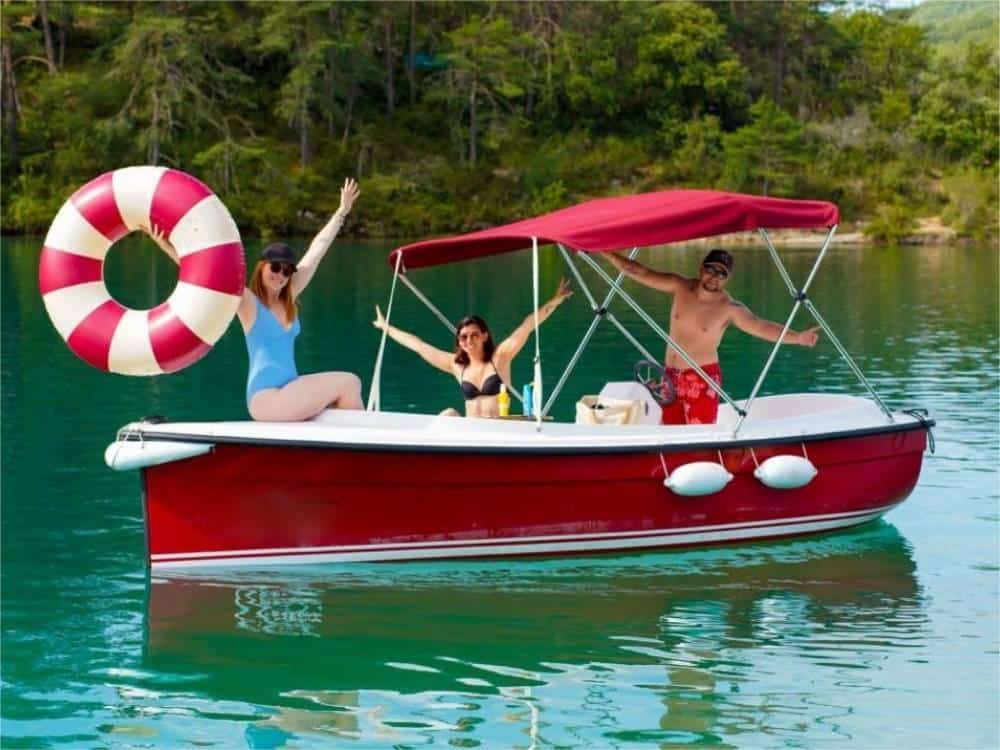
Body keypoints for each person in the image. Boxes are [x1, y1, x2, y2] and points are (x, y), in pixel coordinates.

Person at [144, 178, 363, 422]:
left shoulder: (289, 296)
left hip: (290, 393)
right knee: (350, 382)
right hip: (266, 398)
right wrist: (164, 244)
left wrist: (341, 212)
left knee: (344, 396)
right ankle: (365, 449)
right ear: (261, 268)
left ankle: (352, 453)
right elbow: (205, 275)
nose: (281, 275)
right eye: (276, 267)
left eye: (287, 271)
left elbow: (317, 250)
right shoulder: (248, 302)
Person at [605, 248, 819, 425]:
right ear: (701, 268)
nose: (714, 277)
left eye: (722, 273)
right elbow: (639, 272)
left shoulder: (729, 308)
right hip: (669, 375)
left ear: (727, 279)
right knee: (669, 433)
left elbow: (761, 327)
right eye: (711, 269)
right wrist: (606, 253)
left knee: (699, 437)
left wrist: (797, 337)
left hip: (702, 379)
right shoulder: (680, 287)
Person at [371, 279, 573, 418]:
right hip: (470, 431)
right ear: (459, 341)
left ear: (484, 336)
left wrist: (555, 301)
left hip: (498, 430)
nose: (469, 341)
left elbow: (528, 325)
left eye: (474, 335)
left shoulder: (501, 356)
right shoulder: (456, 365)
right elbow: (418, 346)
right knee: (448, 414)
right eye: (464, 337)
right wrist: (385, 327)